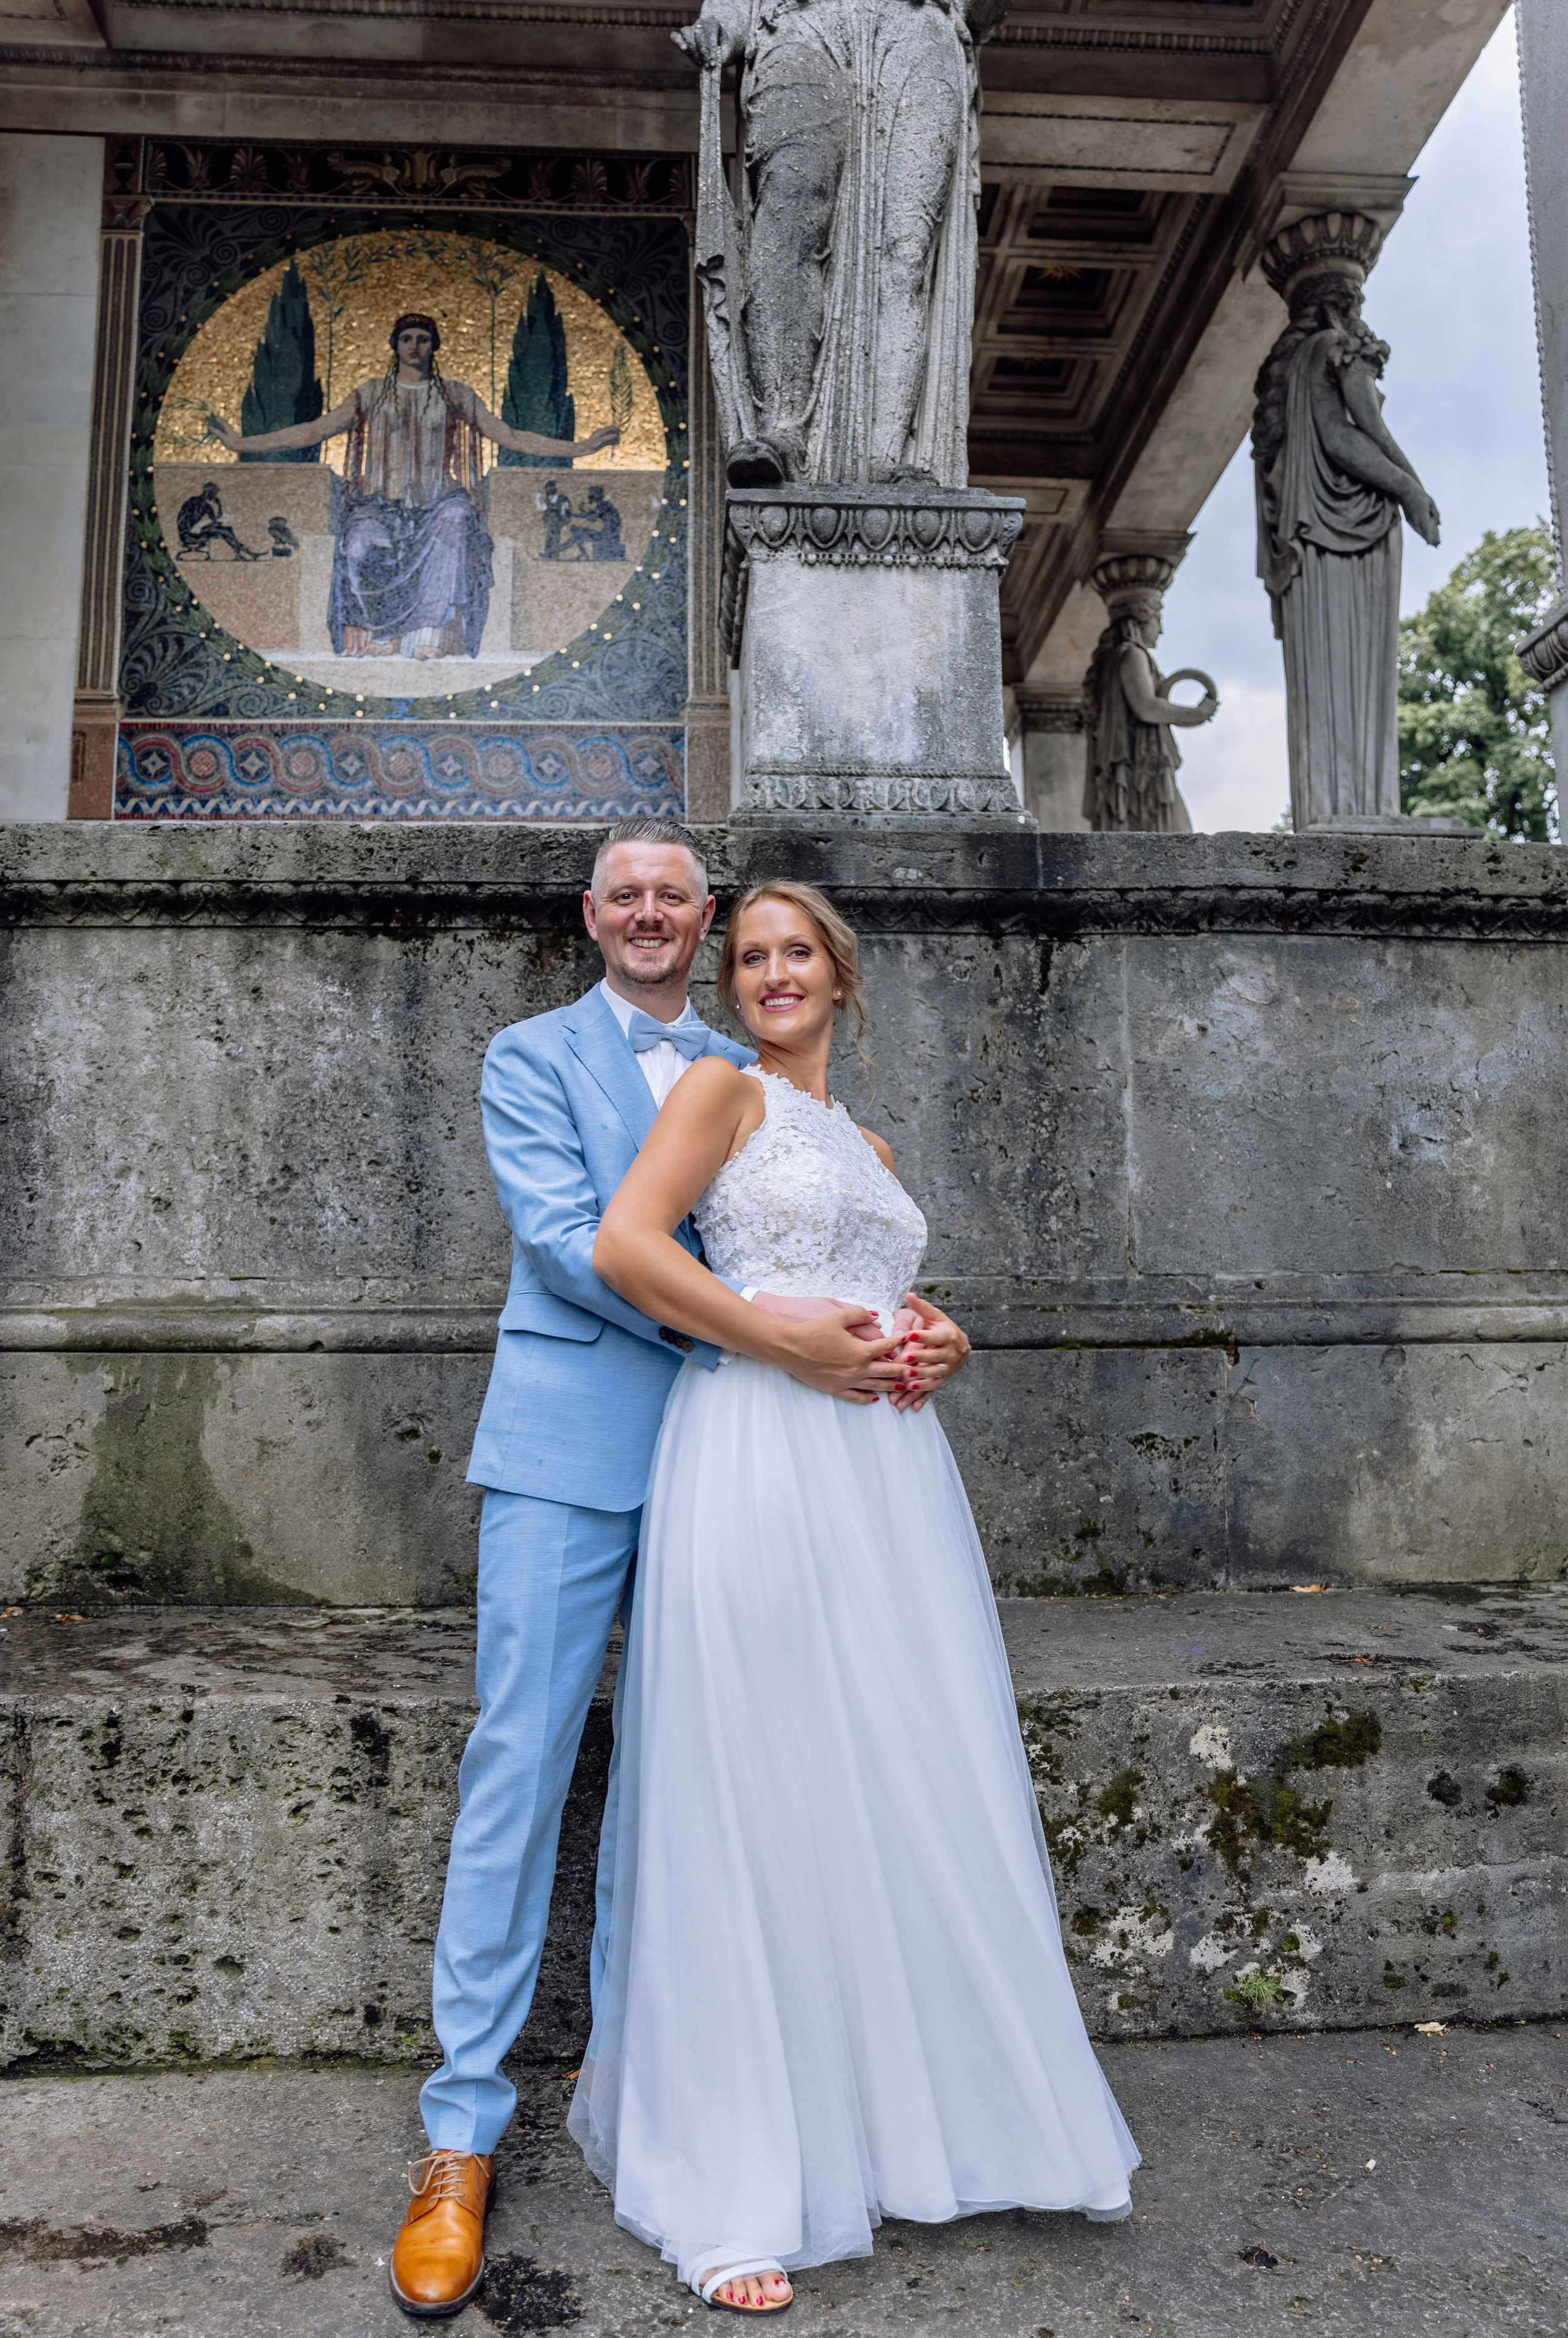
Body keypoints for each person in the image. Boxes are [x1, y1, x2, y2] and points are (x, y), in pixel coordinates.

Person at [386, 821, 973, 2318]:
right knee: (520, 1759)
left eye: (674, 895)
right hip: (581, 1440)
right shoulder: (528, 1058)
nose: (650, 913)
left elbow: (828, 1238)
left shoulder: (757, 1073)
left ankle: (715, 2095)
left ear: (702, 917)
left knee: (739, 1771)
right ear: (592, 916)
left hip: (756, 1458)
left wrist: (907, 1325)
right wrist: (768, 1337)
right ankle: (460, 2138)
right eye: (623, 894)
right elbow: (572, 1241)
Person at [571, 880, 1140, 2313]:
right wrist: (782, 1342)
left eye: (792, 953)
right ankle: (738, 2177)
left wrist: (934, 1336)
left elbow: (876, 1283)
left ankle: (908, 2123)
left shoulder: (866, 1141)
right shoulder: (715, 1090)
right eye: (748, 953)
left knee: (897, 1780)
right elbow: (627, 1249)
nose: (767, 972)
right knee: (761, 1784)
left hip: (887, 1484)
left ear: (840, 975)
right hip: (760, 1453)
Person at [206, 313, 619, 660]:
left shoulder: (456, 395)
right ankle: (374, 634)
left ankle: (430, 635)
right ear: (395, 344)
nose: (415, 346)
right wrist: (241, 444)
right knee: (357, 544)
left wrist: (580, 447)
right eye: (407, 338)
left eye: (424, 339)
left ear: (434, 346)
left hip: (439, 501)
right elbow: (312, 431)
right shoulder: (370, 395)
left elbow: (510, 435)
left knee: (458, 524)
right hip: (379, 504)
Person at [176, 480, 260, 562]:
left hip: (199, 530)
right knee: (225, 532)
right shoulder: (193, 501)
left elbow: (217, 520)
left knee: (228, 530)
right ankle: (245, 554)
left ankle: (244, 554)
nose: (215, 496)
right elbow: (187, 522)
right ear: (208, 492)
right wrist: (205, 526)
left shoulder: (207, 506)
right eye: (214, 493)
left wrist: (219, 505)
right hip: (188, 533)